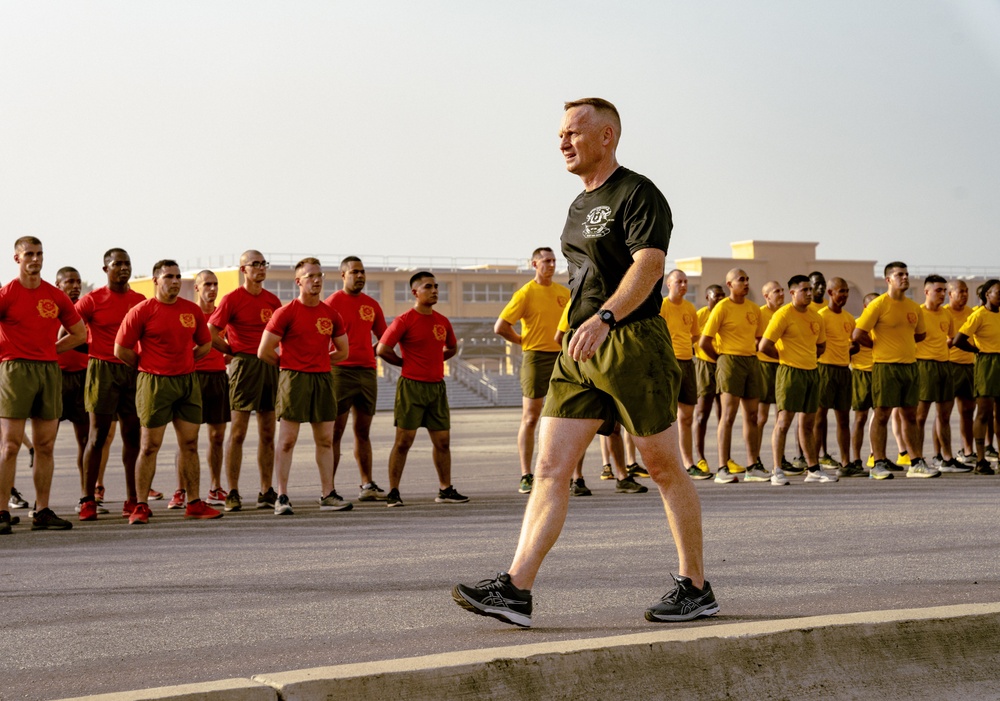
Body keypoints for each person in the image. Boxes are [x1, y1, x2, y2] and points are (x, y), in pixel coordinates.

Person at [453, 98, 717, 627]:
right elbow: (588, 273)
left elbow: (649, 265)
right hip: (580, 347)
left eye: (573, 132)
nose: (563, 142)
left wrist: (608, 318)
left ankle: (695, 587)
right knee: (551, 467)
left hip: (630, 341)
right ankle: (516, 589)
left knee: (663, 468)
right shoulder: (577, 206)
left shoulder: (639, 193)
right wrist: (579, 322)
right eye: (559, 134)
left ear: (607, 136)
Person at [114, 259, 221, 524]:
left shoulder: (191, 310)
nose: (174, 281)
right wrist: (145, 365)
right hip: (154, 383)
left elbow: (205, 344)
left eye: (177, 277)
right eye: (168, 277)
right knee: (150, 445)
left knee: (190, 444)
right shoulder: (142, 311)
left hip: (186, 382)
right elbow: (121, 349)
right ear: (156, 281)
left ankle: (194, 502)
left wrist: (186, 361)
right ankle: (140, 506)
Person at [0, 237, 87, 534]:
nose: (35, 259)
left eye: (39, 254)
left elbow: (79, 333)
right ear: (17, 259)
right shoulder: (7, 294)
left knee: (45, 446)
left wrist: (52, 350)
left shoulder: (55, 295)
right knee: (10, 444)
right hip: (15, 369)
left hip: (49, 370)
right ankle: (1, 511)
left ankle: (42, 510)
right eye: (29, 254)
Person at [258, 257, 350, 515]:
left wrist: (319, 360)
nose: (317, 280)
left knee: (325, 440)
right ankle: (282, 495)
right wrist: (288, 365)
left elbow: (343, 351)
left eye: (320, 275)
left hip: (322, 379)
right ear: (298, 281)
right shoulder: (286, 312)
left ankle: (327, 494)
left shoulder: (331, 314)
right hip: (293, 378)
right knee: (287, 440)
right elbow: (263, 350)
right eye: (310, 276)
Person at [377, 271, 468, 508]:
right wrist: (403, 363)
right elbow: (383, 349)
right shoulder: (404, 320)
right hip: (411, 387)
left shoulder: (442, 321)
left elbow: (452, 347)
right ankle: (393, 491)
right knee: (404, 441)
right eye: (429, 286)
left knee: (443, 442)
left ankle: (445, 489)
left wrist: (436, 360)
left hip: (437, 388)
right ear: (415, 292)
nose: (435, 290)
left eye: (437, 286)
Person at [75, 248, 147, 520]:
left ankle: (132, 498)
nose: (123, 268)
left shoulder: (140, 300)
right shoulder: (91, 300)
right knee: (97, 436)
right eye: (117, 264)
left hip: (131, 369)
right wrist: (94, 352)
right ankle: (87, 499)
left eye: (127, 263)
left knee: (132, 436)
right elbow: (66, 332)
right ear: (105, 269)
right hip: (102, 369)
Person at [207, 250, 282, 512]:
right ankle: (234, 492)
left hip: (269, 366)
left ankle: (265, 490)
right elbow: (210, 332)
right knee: (237, 432)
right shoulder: (232, 299)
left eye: (264, 264)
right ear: (243, 269)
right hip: (243, 367)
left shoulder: (273, 301)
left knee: (268, 432)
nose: (260, 268)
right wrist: (231, 351)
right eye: (255, 264)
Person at [852, 262, 940, 479]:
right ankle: (878, 463)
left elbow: (920, 335)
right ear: (888, 280)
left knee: (911, 415)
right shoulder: (879, 305)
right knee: (882, 415)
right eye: (899, 274)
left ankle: (916, 462)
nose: (905, 278)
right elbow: (857, 334)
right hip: (885, 367)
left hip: (909, 366)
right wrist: (877, 345)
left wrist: (903, 342)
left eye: (906, 274)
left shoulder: (913, 307)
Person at [494, 247, 569, 494]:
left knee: (566, 417)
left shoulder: (563, 293)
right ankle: (526, 474)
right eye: (546, 261)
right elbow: (501, 326)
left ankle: (568, 473)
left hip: (561, 358)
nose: (551, 264)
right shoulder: (525, 293)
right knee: (530, 417)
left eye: (553, 260)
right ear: (534, 264)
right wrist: (522, 341)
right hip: (535, 357)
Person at [759, 275, 835, 485]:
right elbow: (764, 345)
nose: (809, 294)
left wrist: (807, 357)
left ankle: (813, 469)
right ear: (792, 293)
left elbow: (821, 346)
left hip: (811, 372)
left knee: (808, 423)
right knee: (783, 422)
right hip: (790, 373)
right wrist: (785, 358)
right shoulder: (783, 314)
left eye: (810, 290)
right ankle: (777, 470)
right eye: (804, 290)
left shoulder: (816, 317)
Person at [326, 256, 390, 502]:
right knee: (335, 431)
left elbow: (384, 337)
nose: (360, 276)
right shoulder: (332, 304)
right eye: (354, 272)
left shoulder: (371, 305)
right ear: (343, 275)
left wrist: (368, 350)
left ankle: (367, 484)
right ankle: (328, 487)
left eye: (362, 272)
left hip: (367, 372)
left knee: (363, 431)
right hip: (340, 372)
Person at [169, 271, 231, 509]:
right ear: (196, 287)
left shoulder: (222, 315)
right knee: (187, 439)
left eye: (215, 284)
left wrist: (224, 359)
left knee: (217, 437)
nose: (212, 289)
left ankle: (215, 488)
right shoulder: (188, 313)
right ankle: (181, 489)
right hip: (191, 378)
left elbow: (230, 345)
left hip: (217, 378)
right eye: (207, 284)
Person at [699, 268, 766, 483]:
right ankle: (722, 467)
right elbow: (704, 342)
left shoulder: (754, 309)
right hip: (729, 361)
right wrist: (720, 359)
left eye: (747, 279)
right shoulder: (722, 308)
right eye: (741, 280)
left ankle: (752, 465)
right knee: (728, 416)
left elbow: (758, 338)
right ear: (729, 284)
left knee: (753, 416)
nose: (746, 283)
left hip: (751, 361)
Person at [54, 267, 95, 513]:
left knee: (85, 440)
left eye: (78, 281)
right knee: (45, 442)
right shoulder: (49, 310)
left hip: (82, 378)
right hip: (56, 378)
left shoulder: (84, 311)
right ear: (58, 285)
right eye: (69, 281)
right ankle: (42, 503)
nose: (75, 285)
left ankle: (86, 496)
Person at [915, 275, 965, 472]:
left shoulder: (946, 314)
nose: (943, 294)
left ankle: (947, 458)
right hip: (924, 366)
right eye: (938, 290)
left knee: (944, 415)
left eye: (944, 290)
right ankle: (917, 459)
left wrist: (941, 348)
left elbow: (951, 338)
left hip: (945, 365)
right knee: (920, 416)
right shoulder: (917, 313)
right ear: (927, 292)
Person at [814, 277, 862, 476]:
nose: (844, 295)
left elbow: (855, 343)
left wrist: (851, 348)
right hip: (824, 369)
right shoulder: (820, 316)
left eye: (846, 292)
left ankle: (845, 463)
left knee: (843, 419)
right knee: (818, 418)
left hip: (843, 370)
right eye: (840, 291)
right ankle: (813, 465)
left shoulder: (849, 319)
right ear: (830, 293)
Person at [952, 279, 1000, 475]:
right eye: (998, 292)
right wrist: (977, 350)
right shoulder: (978, 315)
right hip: (987, 363)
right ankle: (981, 459)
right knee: (983, 412)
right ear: (987, 294)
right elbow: (958, 340)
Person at [659, 270, 703, 479]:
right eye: (679, 281)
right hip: (668, 364)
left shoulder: (690, 308)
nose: (683, 285)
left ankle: (688, 462)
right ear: (669, 284)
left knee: (687, 417)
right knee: (666, 416)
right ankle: (667, 461)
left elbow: (695, 335)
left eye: (686, 282)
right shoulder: (662, 306)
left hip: (687, 363)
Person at [755, 280, 788, 473]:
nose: (781, 294)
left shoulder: (785, 313)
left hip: (783, 367)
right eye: (776, 291)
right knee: (761, 416)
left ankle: (780, 458)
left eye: (782, 290)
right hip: (765, 365)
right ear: (766, 296)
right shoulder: (760, 314)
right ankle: (756, 457)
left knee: (781, 415)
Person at [692, 284, 725, 477]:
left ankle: (724, 458)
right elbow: (694, 339)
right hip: (706, 365)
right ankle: (700, 458)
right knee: (702, 414)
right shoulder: (701, 315)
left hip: (723, 363)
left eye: (722, 296)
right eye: (716, 296)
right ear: (707, 297)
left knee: (724, 414)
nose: (720, 299)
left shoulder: (726, 311)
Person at [945, 280, 977, 466]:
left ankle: (968, 450)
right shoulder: (943, 313)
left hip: (968, 366)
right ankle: (943, 454)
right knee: (944, 413)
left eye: (966, 291)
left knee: (968, 410)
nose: (964, 295)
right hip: (949, 365)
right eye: (960, 292)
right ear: (950, 294)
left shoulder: (972, 313)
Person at [851, 293, 878, 475]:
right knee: (860, 418)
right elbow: (848, 348)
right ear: (865, 308)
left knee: (880, 418)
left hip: (880, 372)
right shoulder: (857, 324)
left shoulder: (884, 325)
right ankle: (856, 459)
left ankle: (876, 456)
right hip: (861, 373)